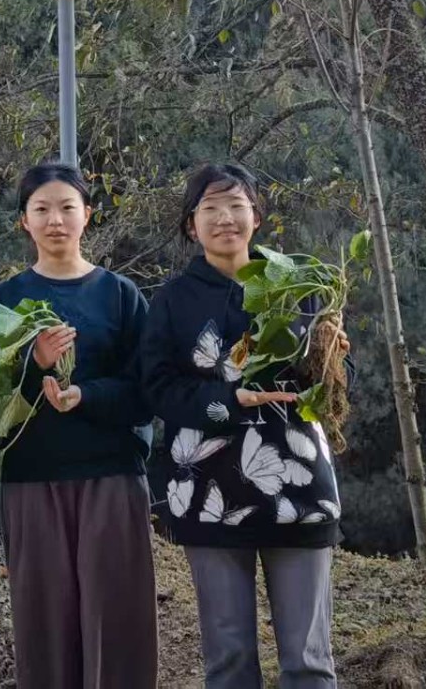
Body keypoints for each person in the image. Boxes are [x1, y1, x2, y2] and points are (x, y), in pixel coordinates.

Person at [137, 163, 348, 689]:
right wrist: (229, 400)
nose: (225, 218)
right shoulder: (172, 301)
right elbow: (157, 389)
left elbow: (331, 391)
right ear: (192, 224)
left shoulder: (299, 286)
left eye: (236, 205)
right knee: (228, 660)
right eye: (210, 208)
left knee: (307, 662)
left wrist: (335, 360)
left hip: (299, 486)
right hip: (210, 491)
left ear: (257, 215)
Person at [0, 161, 156, 688]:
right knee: (44, 622)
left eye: (67, 207)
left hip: (112, 475)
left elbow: (147, 392)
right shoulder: (6, 301)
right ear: (24, 223)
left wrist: (86, 395)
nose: (56, 220)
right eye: (41, 209)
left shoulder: (119, 294)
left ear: (87, 216)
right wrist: (36, 368)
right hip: (34, 477)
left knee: (117, 619)